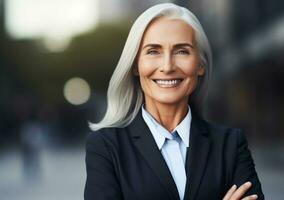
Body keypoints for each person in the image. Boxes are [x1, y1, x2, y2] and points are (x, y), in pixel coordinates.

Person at [84, 3, 264, 200]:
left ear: (200, 65)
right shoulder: (106, 146)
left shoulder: (230, 144)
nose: (167, 66)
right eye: (153, 51)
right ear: (136, 65)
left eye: (182, 51)